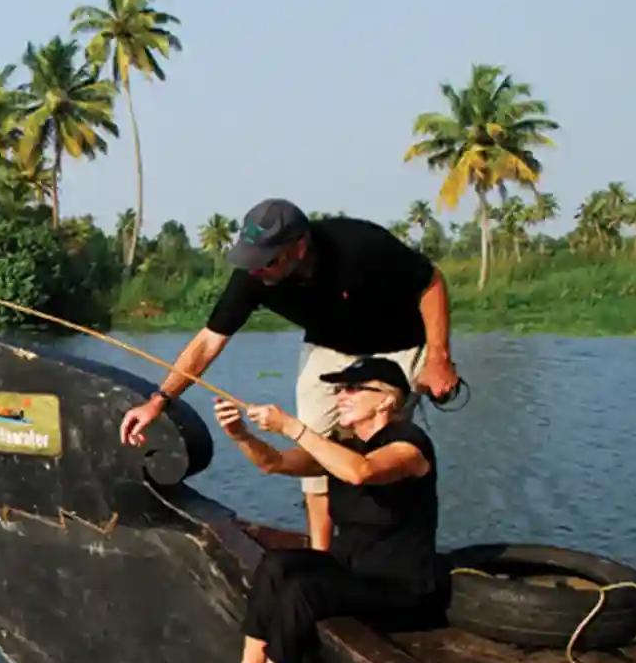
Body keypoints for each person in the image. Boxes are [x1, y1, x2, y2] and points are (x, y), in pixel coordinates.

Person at [119, 199, 460, 551]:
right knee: (313, 439)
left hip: (399, 344)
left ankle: (390, 550)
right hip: (330, 345)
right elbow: (207, 343)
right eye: (251, 262)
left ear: (299, 247)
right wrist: (159, 400)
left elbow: (430, 282)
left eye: (266, 261)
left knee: (380, 447)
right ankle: (322, 552)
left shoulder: (358, 245)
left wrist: (439, 357)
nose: (257, 271)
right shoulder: (254, 278)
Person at [197, 355, 447, 663]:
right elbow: (274, 463)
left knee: (304, 591)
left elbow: (360, 472)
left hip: (403, 590)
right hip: (353, 572)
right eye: (338, 388)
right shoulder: (342, 446)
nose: (340, 396)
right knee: (277, 564)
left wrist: (293, 427)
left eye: (352, 389)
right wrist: (241, 435)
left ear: (385, 400)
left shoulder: (409, 445)